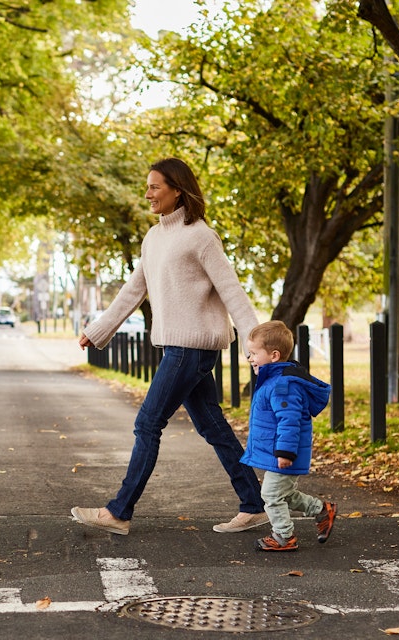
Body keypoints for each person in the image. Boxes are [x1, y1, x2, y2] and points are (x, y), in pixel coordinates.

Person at [70, 157, 266, 536]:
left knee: (148, 423)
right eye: (147, 187)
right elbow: (133, 290)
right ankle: (255, 504)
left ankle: (119, 511)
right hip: (177, 347)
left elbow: (231, 290)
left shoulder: (200, 236)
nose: (148, 194)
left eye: (155, 187)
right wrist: (99, 330)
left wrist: (255, 343)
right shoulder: (153, 237)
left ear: (177, 189)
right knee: (214, 429)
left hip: (190, 349)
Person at [240, 320, 337, 551]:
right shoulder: (274, 380)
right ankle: (322, 510)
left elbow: (289, 420)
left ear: (274, 355)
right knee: (285, 493)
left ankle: (284, 536)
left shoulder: (283, 385)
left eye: (254, 354)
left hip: (284, 452)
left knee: (271, 494)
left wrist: (285, 452)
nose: (250, 359)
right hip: (277, 452)